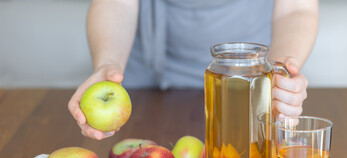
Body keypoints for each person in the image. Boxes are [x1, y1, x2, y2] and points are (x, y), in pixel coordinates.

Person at [68, 0, 318, 140]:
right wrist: (107, 64)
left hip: (246, 79)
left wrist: (280, 70)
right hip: (143, 79)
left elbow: (297, 8)